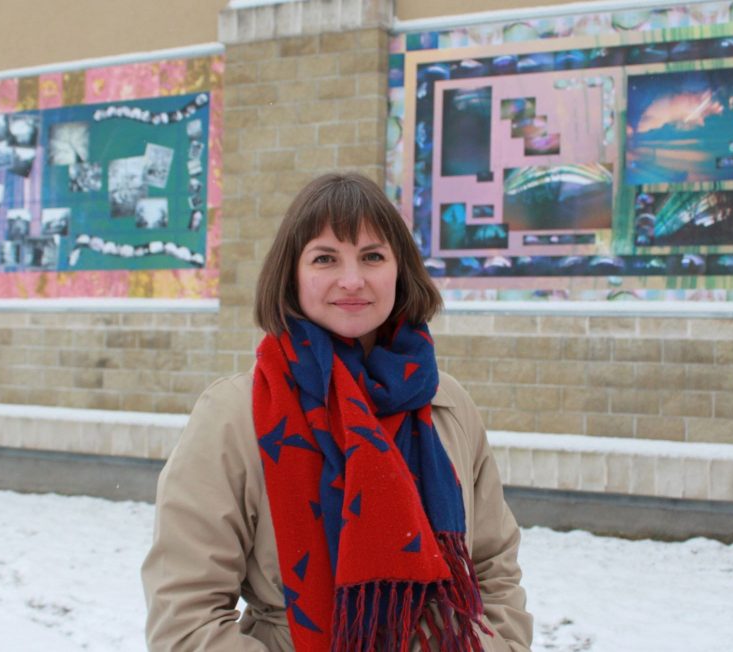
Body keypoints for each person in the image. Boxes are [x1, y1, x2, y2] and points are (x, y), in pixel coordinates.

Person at [142, 172, 532, 651]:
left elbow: (494, 566)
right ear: (292, 276)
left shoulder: (444, 404)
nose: (352, 280)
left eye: (372, 256)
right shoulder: (234, 414)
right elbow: (185, 614)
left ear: (400, 271)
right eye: (325, 258)